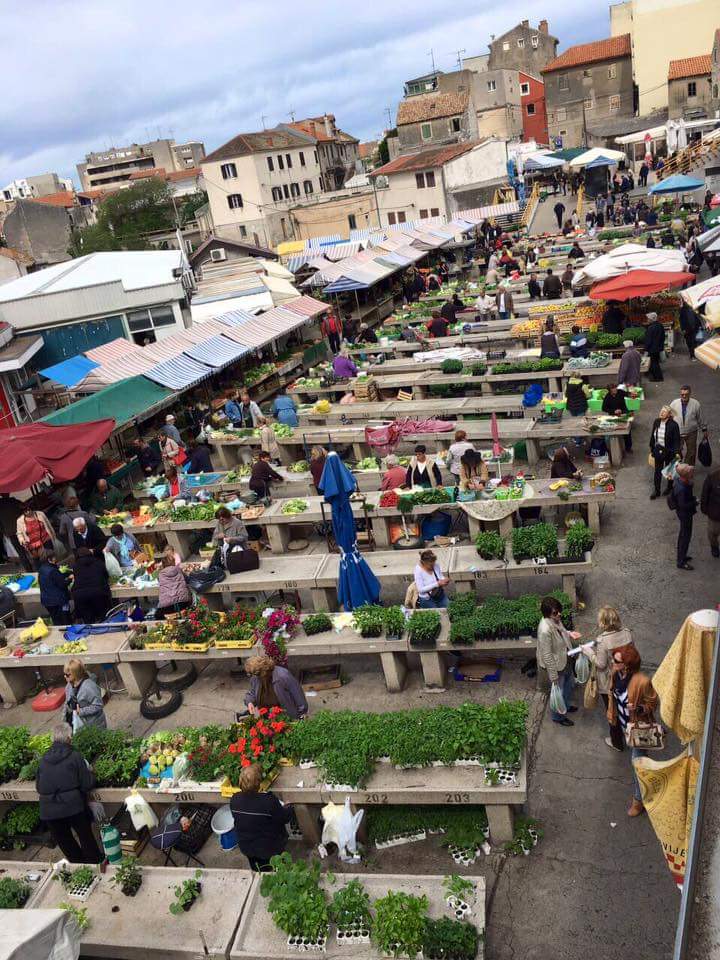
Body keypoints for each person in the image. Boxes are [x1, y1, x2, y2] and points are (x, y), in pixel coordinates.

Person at [36, 723, 102, 863]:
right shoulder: (75, 756)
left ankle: (78, 868)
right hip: (73, 807)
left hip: (49, 811)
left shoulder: (43, 760)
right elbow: (86, 784)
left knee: (65, 842)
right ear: (69, 738)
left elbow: (39, 787)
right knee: (85, 836)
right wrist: (92, 774)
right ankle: (95, 864)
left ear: (52, 740)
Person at [607, 646, 658, 817]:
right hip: (624, 725)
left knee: (637, 765)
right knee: (638, 761)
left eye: (616, 661)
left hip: (639, 729)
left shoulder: (642, 681)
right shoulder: (616, 674)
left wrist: (639, 708)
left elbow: (653, 703)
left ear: (627, 665)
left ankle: (638, 801)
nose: (613, 663)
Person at [582, 606, 634, 751]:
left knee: (612, 710)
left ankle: (616, 742)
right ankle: (628, 732)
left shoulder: (603, 640)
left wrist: (588, 653)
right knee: (626, 706)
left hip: (609, 682)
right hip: (627, 677)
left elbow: (600, 664)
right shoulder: (627, 633)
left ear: (603, 623)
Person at [230, 762, 293, 872]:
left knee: (260, 871)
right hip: (269, 847)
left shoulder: (235, 799)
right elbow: (284, 818)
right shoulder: (268, 801)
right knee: (279, 870)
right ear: (258, 783)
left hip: (246, 846)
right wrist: (288, 807)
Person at [536, 595, 577, 727]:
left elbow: (562, 630)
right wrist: (553, 676)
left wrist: (569, 633)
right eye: (555, 612)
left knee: (569, 685)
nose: (559, 614)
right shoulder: (545, 630)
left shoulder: (555, 620)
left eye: (559, 610)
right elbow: (547, 655)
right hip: (556, 665)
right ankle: (558, 716)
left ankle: (565, 705)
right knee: (558, 692)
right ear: (547, 614)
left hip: (565, 658)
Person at [245, 654, 308, 718]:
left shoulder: (283, 676)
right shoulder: (256, 677)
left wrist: (301, 715)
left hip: (286, 716)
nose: (254, 677)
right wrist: (250, 702)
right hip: (266, 715)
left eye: (256, 674)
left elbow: (298, 696)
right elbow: (252, 692)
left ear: (263, 671)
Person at [64, 658, 106, 731]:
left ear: (75, 674)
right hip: (79, 724)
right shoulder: (69, 686)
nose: (65, 676)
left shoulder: (89, 687)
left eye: (67, 675)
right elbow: (67, 703)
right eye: (64, 674)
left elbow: (98, 705)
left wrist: (81, 711)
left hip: (94, 726)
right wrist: (65, 719)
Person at [71, 548, 112, 624]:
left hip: (81, 595)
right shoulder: (99, 562)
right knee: (102, 616)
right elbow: (106, 576)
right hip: (98, 592)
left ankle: (91, 632)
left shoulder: (75, 565)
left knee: (88, 620)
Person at [670, 385, 707, 467]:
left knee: (691, 452)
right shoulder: (674, 403)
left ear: (690, 394)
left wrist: (704, 429)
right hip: (677, 432)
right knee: (676, 451)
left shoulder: (696, 404)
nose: (684, 396)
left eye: (686, 394)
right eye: (682, 394)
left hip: (691, 432)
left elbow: (700, 418)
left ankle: (688, 469)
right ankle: (677, 468)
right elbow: (669, 417)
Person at [649, 405, 680, 500]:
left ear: (669, 414)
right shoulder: (656, 421)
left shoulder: (674, 425)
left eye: (664, 411)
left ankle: (669, 487)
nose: (661, 413)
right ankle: (657, 490)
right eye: (661, 411)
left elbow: (676, 440)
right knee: (657, 471)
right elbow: (653, 435)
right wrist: (652, 448)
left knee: (669, 471)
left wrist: (676, 452)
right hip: (658, 450)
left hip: (669, 451)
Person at [672, 463, 696, 570]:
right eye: (691, 473)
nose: (692, 474)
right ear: (685, 476)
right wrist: (695, 502)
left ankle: (682, 556)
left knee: (683, 535)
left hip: (683, 514)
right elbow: (683, 505)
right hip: (685, 514)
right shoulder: (681, 489)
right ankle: (681, 561)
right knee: (685, 537)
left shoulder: (680, 481)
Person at [38, 552, 72, 625]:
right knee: (64, 621)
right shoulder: (53, 570)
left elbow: (55, 578)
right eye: (54, 557)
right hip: (58, 601)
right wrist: (70, 579)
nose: (55, 558)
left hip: (47, 600)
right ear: (49, 559)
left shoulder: (42, 568)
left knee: (56, 620)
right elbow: (62, 584)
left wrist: (65, 574)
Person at [701, 464, 720, 558]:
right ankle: (714, 547)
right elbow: (705, 493)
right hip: (715, 512)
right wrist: (704, 508)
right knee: (712, 533)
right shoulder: (713, 476)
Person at [644, 311, 666, 381]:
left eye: (648, 319)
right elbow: (663, 337)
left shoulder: (650, 328)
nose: (647, 320)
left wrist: (646, 349)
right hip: (658, 347)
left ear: (651, 319)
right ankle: (654, 376)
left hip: (652, 349)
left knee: (654, 363)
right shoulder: (660, 325)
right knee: (655, 362)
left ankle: (658, 377)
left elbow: (648, 340)